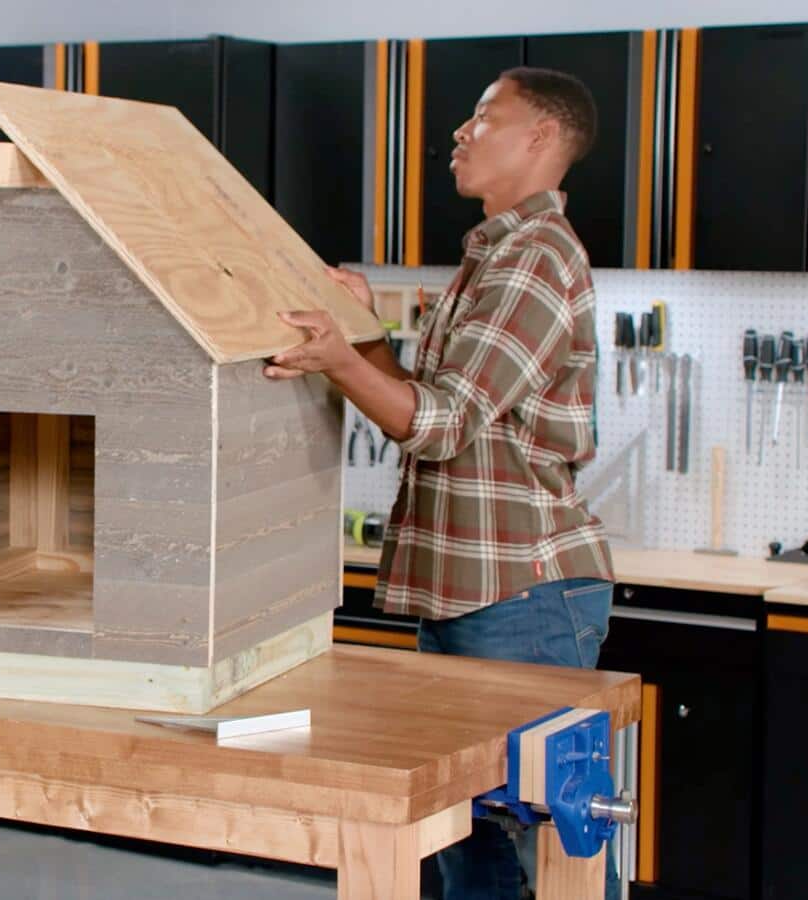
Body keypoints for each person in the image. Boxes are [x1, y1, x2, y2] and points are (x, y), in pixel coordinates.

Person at [265, 67, 617, 900]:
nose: (460, 132)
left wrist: (344, 360)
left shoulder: (534, 259)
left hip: (522, 598)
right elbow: (433, 400)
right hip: (468, 594)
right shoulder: (494, 251)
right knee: (465, 841)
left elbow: (442, 425)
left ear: (539, 138)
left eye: (484, 117)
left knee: (548, 844)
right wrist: (365, 333)